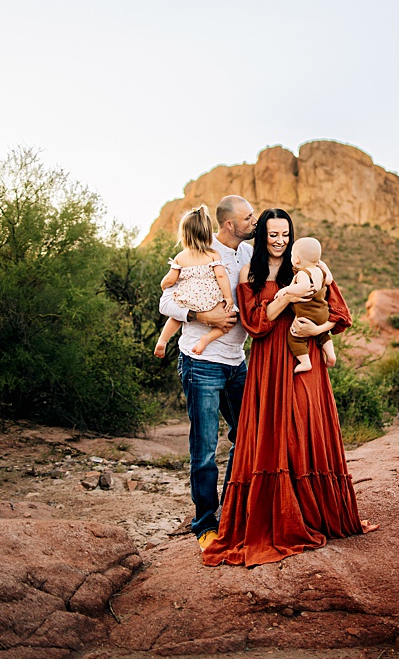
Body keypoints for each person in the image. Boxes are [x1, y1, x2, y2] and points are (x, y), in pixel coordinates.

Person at [202, 208, 377, 567]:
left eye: (285, 234)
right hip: (269, 363)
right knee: (276, 433)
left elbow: (340, 314)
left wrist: (317, 331)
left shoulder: (309, 268)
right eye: (272, 235)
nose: (280, 241)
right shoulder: (250, 274)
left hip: (305, 361)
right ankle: (278, 516)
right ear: (262, 236)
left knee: (304, 426)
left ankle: (315, 515)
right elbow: (255, 323)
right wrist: (284, 297)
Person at [158, 195, 257, 549]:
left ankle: (230, 510)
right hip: (201, 362)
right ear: (229, 224)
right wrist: (204, 317)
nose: (254, 222)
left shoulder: (247, 254)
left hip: (237, 361)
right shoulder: (201, 249)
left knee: (248, 433)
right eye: (248, 218)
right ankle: (204, 524)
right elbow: (166, 301)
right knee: (204, 448)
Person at [153, 205, 235, 359]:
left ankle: (163, 340)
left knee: (177, 316)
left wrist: (163, 285)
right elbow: (221, 276)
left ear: (184, 235)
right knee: (230, 318)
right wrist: (228, 298)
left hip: (189, 297)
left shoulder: (180, 257)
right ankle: (206, 339)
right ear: (208, 233)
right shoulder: (212, 254)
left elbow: (170, 279)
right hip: (210, 299)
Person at [276, 236, 337, 373]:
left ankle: (305, 362)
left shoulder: (303, 273)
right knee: (322, 335)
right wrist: (325, 267)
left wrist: (286, 290)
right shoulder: (320, 272)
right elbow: (329, 280)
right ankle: (331, 355)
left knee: (294, 338)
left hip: (307, 315)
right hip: (322, 314)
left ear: (296, 259)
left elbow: (303, 288)